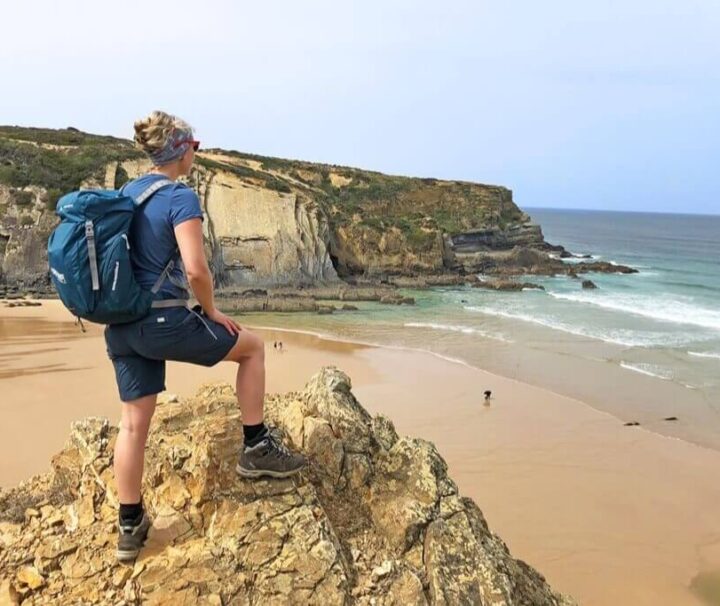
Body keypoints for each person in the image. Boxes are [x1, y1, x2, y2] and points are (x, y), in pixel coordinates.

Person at [105, 111, 305, 563]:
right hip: (163, 323)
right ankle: (255, 448)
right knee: (252, 348)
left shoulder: (128, 192)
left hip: (122, 327)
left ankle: (129, 525)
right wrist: (212, 312)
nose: (197, 149)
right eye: (194, 143)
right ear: (181, 149)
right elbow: (196, 269)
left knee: (132, 424)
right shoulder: (180, 196)